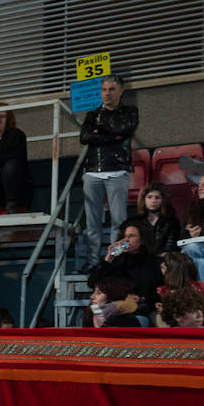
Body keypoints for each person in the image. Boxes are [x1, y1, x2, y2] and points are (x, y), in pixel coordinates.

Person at [80, 75, 139, 266]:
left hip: (117, 170)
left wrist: (101, 131)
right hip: (92, 171)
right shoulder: (92, 114)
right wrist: (113, 135)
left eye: (112, 89)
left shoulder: (129, 111)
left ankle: (117, 258)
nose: (107, 93)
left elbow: (126, 129)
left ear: (121, 91)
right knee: (92, 222)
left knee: (118, 221)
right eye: (104, 89)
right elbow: (85, 137)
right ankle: (92, 262)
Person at [92, 221, 162, 319]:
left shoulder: (154, 262)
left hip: (142, 309)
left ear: (142, 240)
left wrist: (142, 298)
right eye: (124, 236)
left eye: (131, 236)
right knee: (97, 309)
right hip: (118, 309)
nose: (126, 240)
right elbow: (93, 283)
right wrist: (108, 259)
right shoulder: (117, 261)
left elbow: (161, 291)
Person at [131, 183, 181, 254]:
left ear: (163, 200)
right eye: (149, 197)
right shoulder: (134, 221)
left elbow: (171, 245)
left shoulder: (172, 221)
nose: (153, 201)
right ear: (144, 199)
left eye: (157, 198)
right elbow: (128, 242)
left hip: (163, 259)